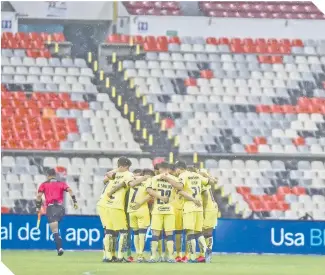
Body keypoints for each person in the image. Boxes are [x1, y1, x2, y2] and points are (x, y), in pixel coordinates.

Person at [174, 161, 212, 263]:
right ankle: (205, 249)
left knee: (189, 233)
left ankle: (192, 257)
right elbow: (209, 182)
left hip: (189, 207)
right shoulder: (196, 175)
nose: (175, 172)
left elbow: (180, 188)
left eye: (176, 169)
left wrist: (191, 198)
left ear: (179, 168)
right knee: (198, 232)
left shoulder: (183, 175)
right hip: (199, 207)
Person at [146, 162, 183, 263]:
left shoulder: (155, 178)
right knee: (169, 234)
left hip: (158, 210)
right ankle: (170, 257)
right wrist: (162, 196)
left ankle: (153, 257)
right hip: (169, 210)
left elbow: (149, 190)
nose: (159, 170)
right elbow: (180, 187)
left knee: (156, 234)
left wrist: (159, 196)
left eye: (160, 168)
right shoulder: (174, 178)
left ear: (162, 168)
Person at [36, 168, 78, 256]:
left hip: (51, 208)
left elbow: (39, 196)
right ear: (55, 175)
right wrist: (75, 202)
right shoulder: (61, 183)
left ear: (48, 175)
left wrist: (38, 207)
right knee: (57, 227)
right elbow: (70, 190)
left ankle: (59, 248)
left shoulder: (44, 184)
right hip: (60, 208)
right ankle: (59, 242)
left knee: (55, 230)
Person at [99, 157, 133, 262]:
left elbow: (104, 179)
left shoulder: (113, 174)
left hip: (104, 204)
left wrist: (116, 170)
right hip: (116, 205)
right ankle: (120, 256)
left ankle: (108, 257)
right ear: (127, 166)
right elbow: (129, 183)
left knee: (109, 231)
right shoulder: (129, 174)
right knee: (123, 231)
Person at [127, 169, 154, 262]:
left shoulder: (134, 178)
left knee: (135, 233)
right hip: (142, 209)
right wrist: (140, 203)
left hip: (131, 209)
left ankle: (137, 254)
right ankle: (140, 255)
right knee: (142, 233)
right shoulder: (149, 180)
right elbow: (150, 194)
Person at [96, 168, 117, 262]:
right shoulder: (111, 181)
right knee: (108, 231)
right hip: (106, 206)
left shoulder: (110, 181)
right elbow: (105, 178)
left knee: (112, 232)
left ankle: (111, 254)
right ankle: (106, 255)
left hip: (110, 206)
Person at [198, 169, 219, 257]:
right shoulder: (207, 181)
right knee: (209, 233)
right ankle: (209, 252)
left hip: (206, 208)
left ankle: (203, 254)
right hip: (213, 207)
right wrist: (207, 175)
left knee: (199, 232)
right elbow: (215, 181)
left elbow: (205, 194)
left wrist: (203, 209)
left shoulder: (200, 181)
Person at [125, 169, 143, 262]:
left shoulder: (140, 184)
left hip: (135, 210)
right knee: (128, 233)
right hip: (128, 210)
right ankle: (129, 254)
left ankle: (139, 254)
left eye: (138, 176)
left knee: (138, 233)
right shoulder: (129, 184)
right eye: (135, 176)